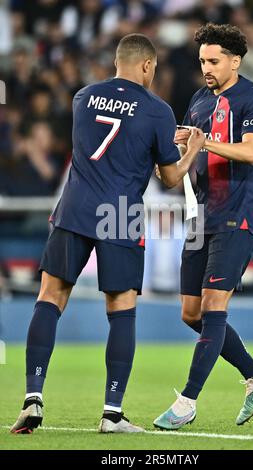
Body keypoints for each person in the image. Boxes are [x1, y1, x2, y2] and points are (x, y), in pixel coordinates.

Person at [11, 33, 205, 434]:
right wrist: (193, 150)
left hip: (76, 206)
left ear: (118, 61)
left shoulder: (82, 97)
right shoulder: (158, 110)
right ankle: (112, 414)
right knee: (121, 309)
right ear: (148, 66)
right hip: (119, 213)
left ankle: (32, 398)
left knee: (49, 298)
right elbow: (169, 177)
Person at [154, 23, 253, 431]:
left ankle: (187, 402)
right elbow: (193, 148)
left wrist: (203, 142)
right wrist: (178, 146)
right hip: (200, 215)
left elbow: (252, 151)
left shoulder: (252, 97)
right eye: (202, 61)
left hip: (236, 215)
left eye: (213, 60)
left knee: (212, 307)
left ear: (235, 60)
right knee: (191, 314)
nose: (205, 67)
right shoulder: (198, 100)